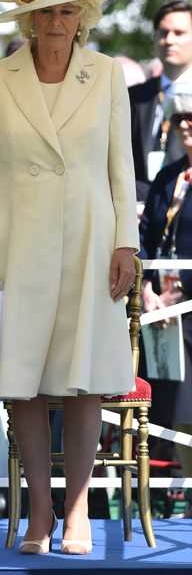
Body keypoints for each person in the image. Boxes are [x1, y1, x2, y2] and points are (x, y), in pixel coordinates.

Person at [0, 0, 136, 556]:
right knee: (23, 382)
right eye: (44, 12)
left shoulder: (109, 73)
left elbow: (122, 167)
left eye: (66, 11)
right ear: (28, 19)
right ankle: (39, 509)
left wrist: (126, 243)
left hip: (91, 243)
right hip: (16, 246)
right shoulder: (0, 76)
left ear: (82, 16)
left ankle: (79, 507)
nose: (56, 22)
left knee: (83, 381)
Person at [137, 82, 192, 484]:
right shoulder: (169, 175)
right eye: (179, 118)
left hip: (186, 308)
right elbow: (144, 235)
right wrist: (146, 288)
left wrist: (182, 290)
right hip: (162, 314)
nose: (185, 124)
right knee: (174, 415)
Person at [129, 1, 192, 196]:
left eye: (179, 33)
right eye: (163, 33)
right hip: (137, 212)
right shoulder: (133, 97)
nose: (169, 40)